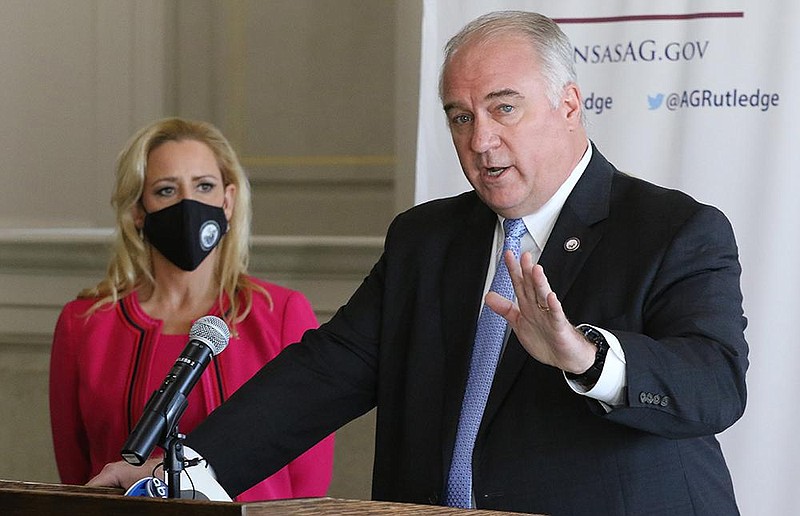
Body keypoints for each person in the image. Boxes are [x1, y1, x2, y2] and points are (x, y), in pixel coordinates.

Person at [90, 12, 748, 515]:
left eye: (503, 108)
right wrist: (175, 477)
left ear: (569, 105)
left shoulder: (673, 230)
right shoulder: (425, 239)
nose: (479, 140)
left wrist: (586, 357)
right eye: (460, 117)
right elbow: (321, 375)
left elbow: (715, 385)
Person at [49, 117, 334, 502]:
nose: (189, 204)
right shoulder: (84, 324)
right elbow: (77, 473)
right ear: (138, 209)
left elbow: (307, 480)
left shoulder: (281, 314)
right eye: (166, 190)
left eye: (204, 186)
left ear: (228, 201)